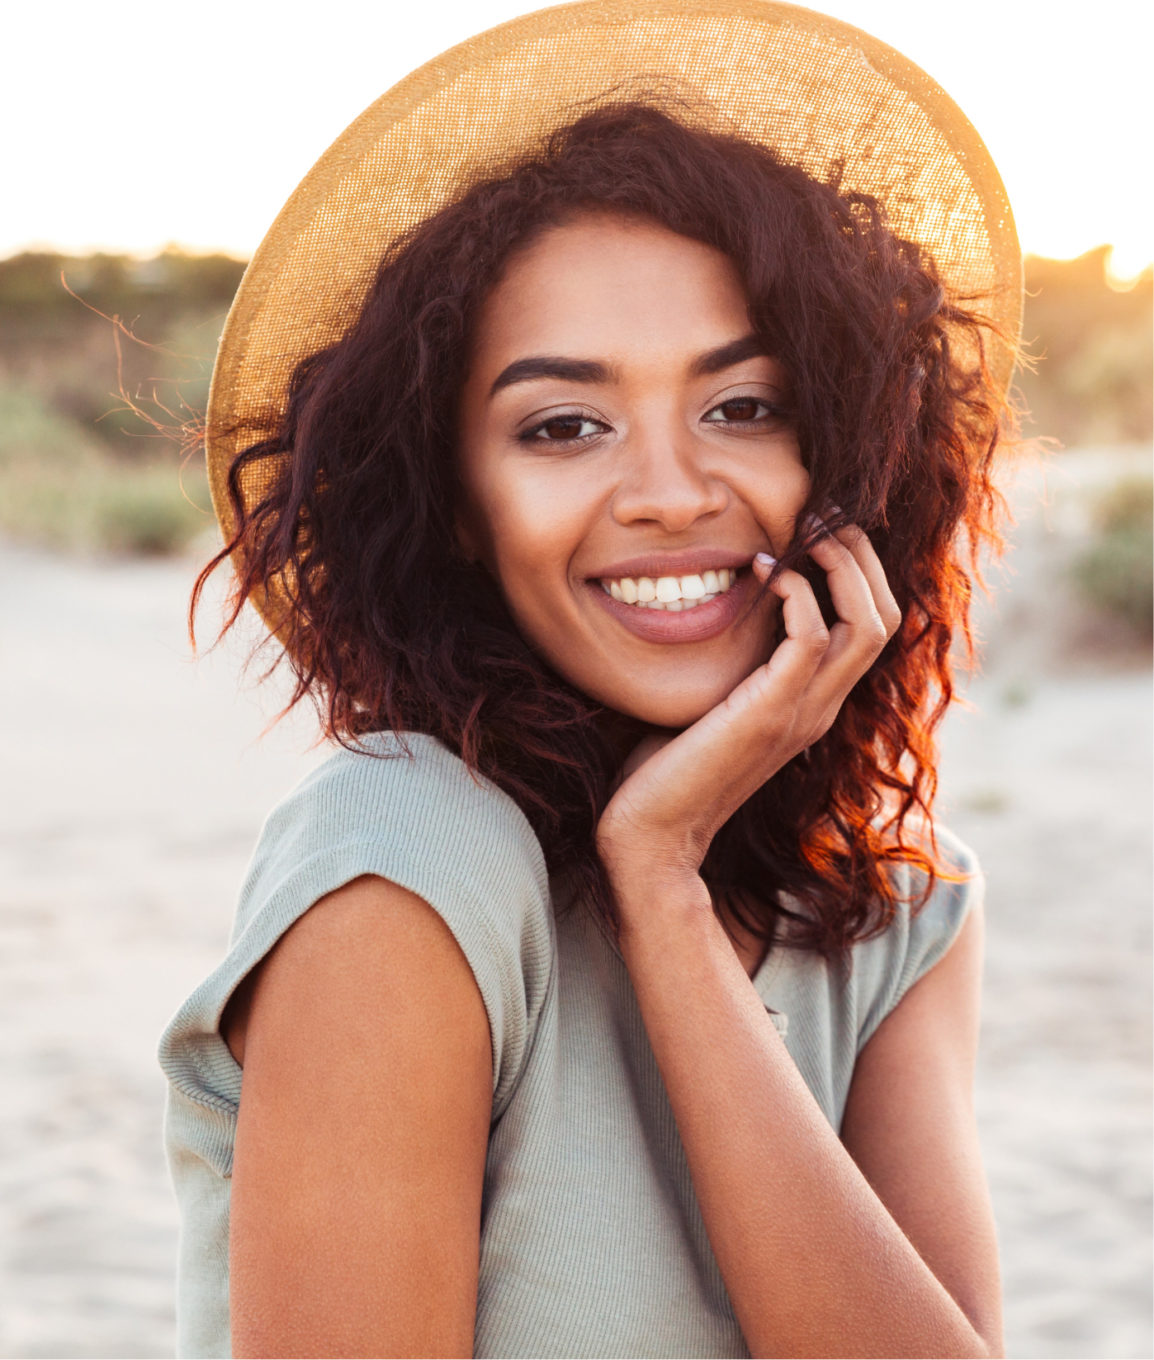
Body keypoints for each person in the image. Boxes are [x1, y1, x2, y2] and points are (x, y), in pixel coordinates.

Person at [159, 4, 1022, 1356]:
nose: (672, 495)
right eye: (563, 426)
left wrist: (663, 886)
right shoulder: (406, 861)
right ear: (455, 507)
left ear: (844, 459)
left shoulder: (897, 902)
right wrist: (654, 862)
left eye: (742, 407)